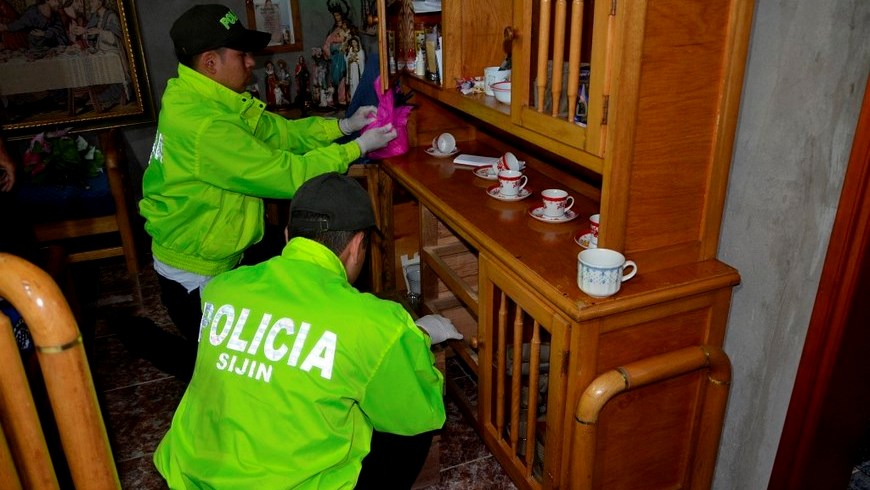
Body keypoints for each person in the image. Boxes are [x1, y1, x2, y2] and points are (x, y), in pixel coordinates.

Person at [137, 4, 396, 379]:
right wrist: (357, 148)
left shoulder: (205, 96)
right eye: (241, 55)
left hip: (230, 241)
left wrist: (341, 125)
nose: (250, 62)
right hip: (196, 270)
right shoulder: (205, 126)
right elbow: (289, 175)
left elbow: (280, 133)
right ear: (210, 63)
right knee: (221, 373)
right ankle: (143, 336)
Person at [153, 172, 459, 488]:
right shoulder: (374, 322)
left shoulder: (223, 288)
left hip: (189, 475)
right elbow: (418, 415)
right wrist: (415, 341)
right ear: (357, 245)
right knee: (411, 420)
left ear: (288, 236)